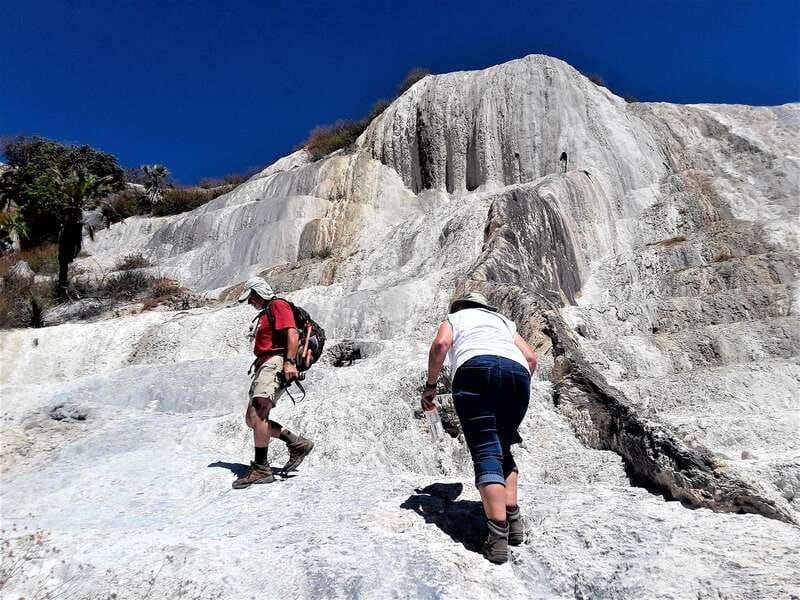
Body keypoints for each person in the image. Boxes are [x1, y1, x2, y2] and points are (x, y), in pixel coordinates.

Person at [422, 292, 537, 564]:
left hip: (475, 371)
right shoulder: (503, 321)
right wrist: (514, 383)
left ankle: (497, 538)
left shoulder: (456, 317)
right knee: (503, 444)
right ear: (486, 307)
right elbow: (531, 358)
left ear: (461, 306)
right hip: (517, 375)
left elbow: (441, 344)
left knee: (486, 448)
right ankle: (514, 522)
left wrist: (430, 387)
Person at [232, 276, 315, 489]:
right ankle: (296, 442)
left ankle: (261, 468)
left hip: (275, 363)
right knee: (252, 419)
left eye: (251, 298)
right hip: (265, 365)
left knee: (259, 414)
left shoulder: (278, 305)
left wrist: (289, 363)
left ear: (258, 293)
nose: (250, 302)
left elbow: (292, 333)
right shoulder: (267, 312)